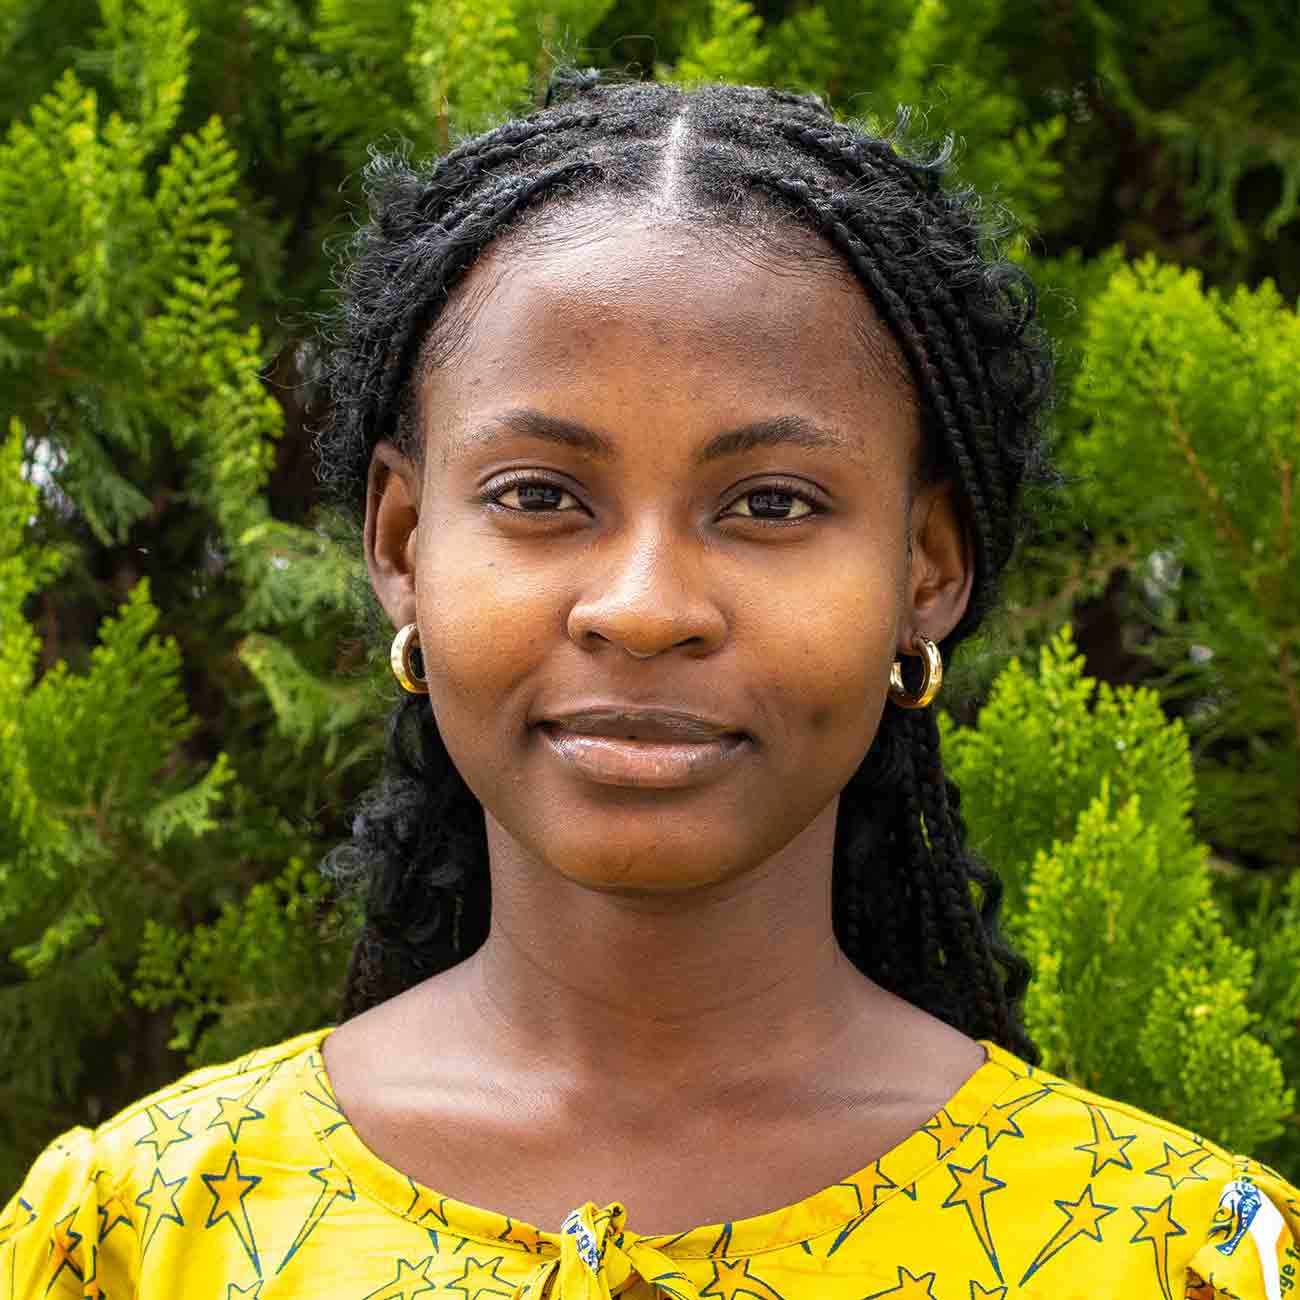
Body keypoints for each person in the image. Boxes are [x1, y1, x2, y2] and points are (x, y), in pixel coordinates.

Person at [4, 71, 1297, 1300]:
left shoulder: (1161, 1252)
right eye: (540, 495)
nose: (643, 607)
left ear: (926, 568)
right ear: (402, 542)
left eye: (771, 504)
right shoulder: (139, 1236)